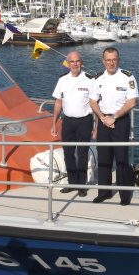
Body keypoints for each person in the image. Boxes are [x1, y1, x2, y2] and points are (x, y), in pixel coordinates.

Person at [89, 47, 139, 205]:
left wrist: (114, 117)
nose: (111, 63)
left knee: (121, 158)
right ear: (103, 61)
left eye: (114, 59)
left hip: (120, 121)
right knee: (104, 157)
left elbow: (132, 101)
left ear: (119, 60)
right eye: (108, 60)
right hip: (103, 121)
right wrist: (102, 118)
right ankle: (104, 193)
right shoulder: (98, 79)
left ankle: (125, 195)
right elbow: (92, 101)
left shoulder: (127, 77)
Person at [51, 51, 94, 197]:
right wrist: (54, 123)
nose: (74, 64)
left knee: (82, 153)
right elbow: (58, 102)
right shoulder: (62, 80)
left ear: (81, 62)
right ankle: (71, 182)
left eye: (77, 61)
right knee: (68, 153)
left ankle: (81, 185)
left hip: (84, 121)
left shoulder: (89, 80)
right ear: (68, 64)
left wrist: (98, 125)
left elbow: (96, 103)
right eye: (72, 62)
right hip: (68, 121)